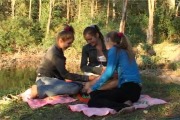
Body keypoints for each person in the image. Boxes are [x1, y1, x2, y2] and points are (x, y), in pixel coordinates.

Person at [29, 25, 97, 99]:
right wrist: (88, 78)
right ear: (61, 40)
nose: (70, 45)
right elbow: (65, 74)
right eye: (69, 43)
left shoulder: (57, 49)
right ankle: (39, 90)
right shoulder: (55, 53)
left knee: (79, 84)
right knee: (75, 88)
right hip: (44, 80)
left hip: (51, 80)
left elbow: (60, 73)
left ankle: (44, 89)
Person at [86, 31, 142, 113]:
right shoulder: (126, 51)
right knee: (95, 94)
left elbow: (109, 73)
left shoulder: (114, 50)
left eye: (105, 41)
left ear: (109, 40)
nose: (104, 44)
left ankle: (123, 107)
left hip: (128, 88)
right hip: (136, 91)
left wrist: (93, 88)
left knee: (93, 101)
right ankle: (127, 102)